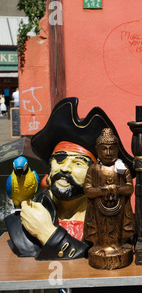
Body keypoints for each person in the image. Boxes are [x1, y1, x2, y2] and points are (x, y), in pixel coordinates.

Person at [5, 97, 133, 260]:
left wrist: (47, 233)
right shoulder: (21, 224)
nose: (65, 167)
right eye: (59, 159)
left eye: (78, 163)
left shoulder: (112, 224)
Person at [83, 128, 135, 269]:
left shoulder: (121, 167)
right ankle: (100, 246)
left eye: (111, 148)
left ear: (117, 149)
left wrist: (116, 189)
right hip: (99, 211)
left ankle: (118, 245)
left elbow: (129, 188)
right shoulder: (94, 169)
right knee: (101, 229)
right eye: (104, 149)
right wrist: (102, 190)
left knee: (118, 230)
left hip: (119, 210)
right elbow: (87, 190)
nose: (108, 152)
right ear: (97, 150)